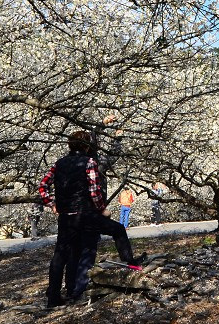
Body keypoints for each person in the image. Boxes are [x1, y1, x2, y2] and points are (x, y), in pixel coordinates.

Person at [39, 130, 144, 308]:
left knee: (62, 255)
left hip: (66, 218)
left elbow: (43, 185)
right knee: (116, 230)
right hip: (85, 215)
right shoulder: (89, 162)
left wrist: (52, 204)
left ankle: (54, 296)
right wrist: (101, 209)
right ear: (87, 146)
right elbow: (94, 191)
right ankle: (130, 261)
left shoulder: (59, 164)